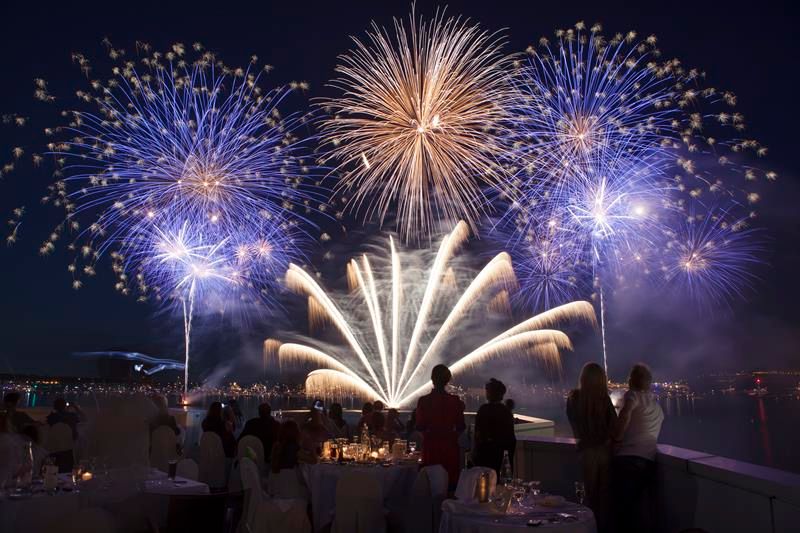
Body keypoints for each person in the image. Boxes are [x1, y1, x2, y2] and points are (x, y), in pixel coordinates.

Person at [612, 363, 664, 533]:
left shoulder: (632, 396)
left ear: (631, 380)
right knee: (643, 510)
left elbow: (625, 415)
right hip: (649, 461)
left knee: (624, 510)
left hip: (628, 459)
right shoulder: (656, 406)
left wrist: (617, 438)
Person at [566, 363, 617, 533]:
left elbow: (574, 424)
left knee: (587, 496)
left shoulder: (573, 398)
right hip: (604, 452)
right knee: (604, 498)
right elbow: (614, 426)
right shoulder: (604, 399)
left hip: (585, 452)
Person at [415, 364, 466, 489]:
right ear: (447, 380)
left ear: (432, 379)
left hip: (431, 447)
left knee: (430, 484)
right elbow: (461, 426)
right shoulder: (455, 401)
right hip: (450, 447)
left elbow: (420, 426)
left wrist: (429, 436)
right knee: (450, 484)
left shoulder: (424, 401)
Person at [473, 378, 516, 476]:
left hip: (485, 455)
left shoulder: (483, 410)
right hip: (499, 455)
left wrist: (475, 452)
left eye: (487, 390)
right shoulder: (506, 412)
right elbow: (511, 438)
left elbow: (478, 434)